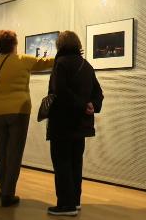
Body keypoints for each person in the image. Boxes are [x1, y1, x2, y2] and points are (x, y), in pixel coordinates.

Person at [0, 30, 54, 207]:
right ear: (13, 44)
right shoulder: (23, 60)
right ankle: (8, 194)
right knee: (14, 153)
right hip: (19, 110)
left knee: (1, 151)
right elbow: (47, 63)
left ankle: (4, 188)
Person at [46, 31, 103, 216]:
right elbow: (98, 93)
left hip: (63, 123)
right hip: (81, 124)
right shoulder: (86, 65)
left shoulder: (60, 63)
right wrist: (91, 105)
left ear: (60, 45)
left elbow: (60, 92)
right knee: (75, 162)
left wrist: (81, 105)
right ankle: (75, 201)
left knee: (61, 162)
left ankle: (65, 205)